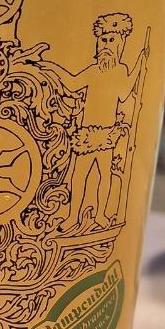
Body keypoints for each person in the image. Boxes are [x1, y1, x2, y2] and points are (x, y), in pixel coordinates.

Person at [47, 13, 148, 230]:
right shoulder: (93, 70)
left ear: (119, 43)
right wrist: (52, 68)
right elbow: (73, 83)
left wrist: (139, 65)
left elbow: (124, 94)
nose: (106, 44)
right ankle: (73, 216)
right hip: (86, 133)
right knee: (79, 176)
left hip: (106, 132)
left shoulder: (120, 70)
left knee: (104, 175)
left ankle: (101, 215)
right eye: (103, 40)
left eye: (111, 40)